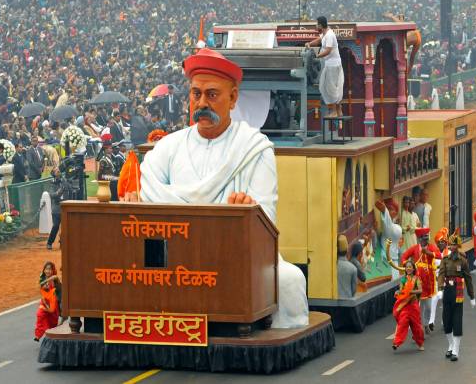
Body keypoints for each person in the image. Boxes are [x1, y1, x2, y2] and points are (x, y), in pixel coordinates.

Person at [140, 48, 308, 328]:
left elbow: (267, 218)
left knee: (289, 280)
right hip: (175, 255)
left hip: (235, 254)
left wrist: (248, 212)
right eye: (196, 94)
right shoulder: (167, 148)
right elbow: (149, 200)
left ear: (233, 98)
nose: (202, 103)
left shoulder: (254, 149)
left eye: (212, 94)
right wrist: (219, 213)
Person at [437, 229, 476, 362]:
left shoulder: (463, 260)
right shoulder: (445, 260)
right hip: (447, 290)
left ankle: (456, 350)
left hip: (458, 291)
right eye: (450, 245)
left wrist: (472, 296)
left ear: (458, 246)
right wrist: (440, 288)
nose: (451, 247)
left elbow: (468, 278)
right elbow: (441, 274)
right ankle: (451, 345)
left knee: (457, 320)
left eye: (453, 245)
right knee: (446, 320)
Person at [399, 227, 440, 329]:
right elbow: (404, 256)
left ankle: (426, 324)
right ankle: (415, 327)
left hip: (428, 283)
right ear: (419, 239)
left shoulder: (431, 247)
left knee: (429, 307)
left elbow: (439, 255)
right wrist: (407, 265)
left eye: (427, 237)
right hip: (416, 282)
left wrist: (428, 253)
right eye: (424, 237)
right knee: (415, 307)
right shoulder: (415, 248)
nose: (426, 239)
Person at [305, 16, 344, 118]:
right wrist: (310, 43)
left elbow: (328, 50)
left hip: (333, 65)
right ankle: (339, 111)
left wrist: (317, 56)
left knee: (331, 88)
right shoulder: (325, 33)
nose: (316, 26)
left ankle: (335, 111)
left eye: (317, 24)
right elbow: (318, 40)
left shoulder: (330, 35)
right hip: (330, 64)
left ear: (321, 25)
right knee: (333, 87)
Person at [389, 259, 425, 351]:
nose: (408, 268)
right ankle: (396, 343)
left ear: (413, 269)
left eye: (410, 267)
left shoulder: (416, 279)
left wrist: (411, 291)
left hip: (414, 306)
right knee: (402, 323)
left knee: (417, 326)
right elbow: (401, 291)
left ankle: (420, 343)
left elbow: (420, 290)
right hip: (405, 305)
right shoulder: (403, 279)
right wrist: (398, 292)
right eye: (407, 267)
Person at [428, 227, 450, 331]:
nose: (441, 244)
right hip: (436, 281)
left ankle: (444, 320)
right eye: (439, 242)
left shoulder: (449, 253)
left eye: (443, 241)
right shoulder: (433, 254)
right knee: (434, 299)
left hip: (447, 281)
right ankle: (431, 321)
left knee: (445, 301)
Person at [34, 261, 61, 341]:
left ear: (53, 270)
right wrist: (44, 302)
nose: (48, 271)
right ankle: (38, 335)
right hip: (44, 302)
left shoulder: (55, 279)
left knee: (52, 322)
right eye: (46, 269)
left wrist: (45, 281)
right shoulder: (41, 278)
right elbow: (41, 293)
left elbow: (54, 277)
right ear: (44, 270)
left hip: (53, 304)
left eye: (50, 269)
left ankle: (52, 336)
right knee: (40, 315)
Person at [46, 166, 64, 250]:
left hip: (65, 207)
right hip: (56, 208)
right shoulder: (52, 183)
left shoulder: (64, 181)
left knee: (66, 226)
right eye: (56, 171)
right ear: (53, 174)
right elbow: (52, 195)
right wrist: (58, 193)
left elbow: (70, 189)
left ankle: (63, 242)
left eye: (58, 170)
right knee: (56, 226)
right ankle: (49, 242)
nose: (58, 171)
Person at [337, 235, 358, 299]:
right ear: (347, 250)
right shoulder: (353, 268)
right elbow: (354, 290)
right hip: (348, 303)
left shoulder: (331, 268)